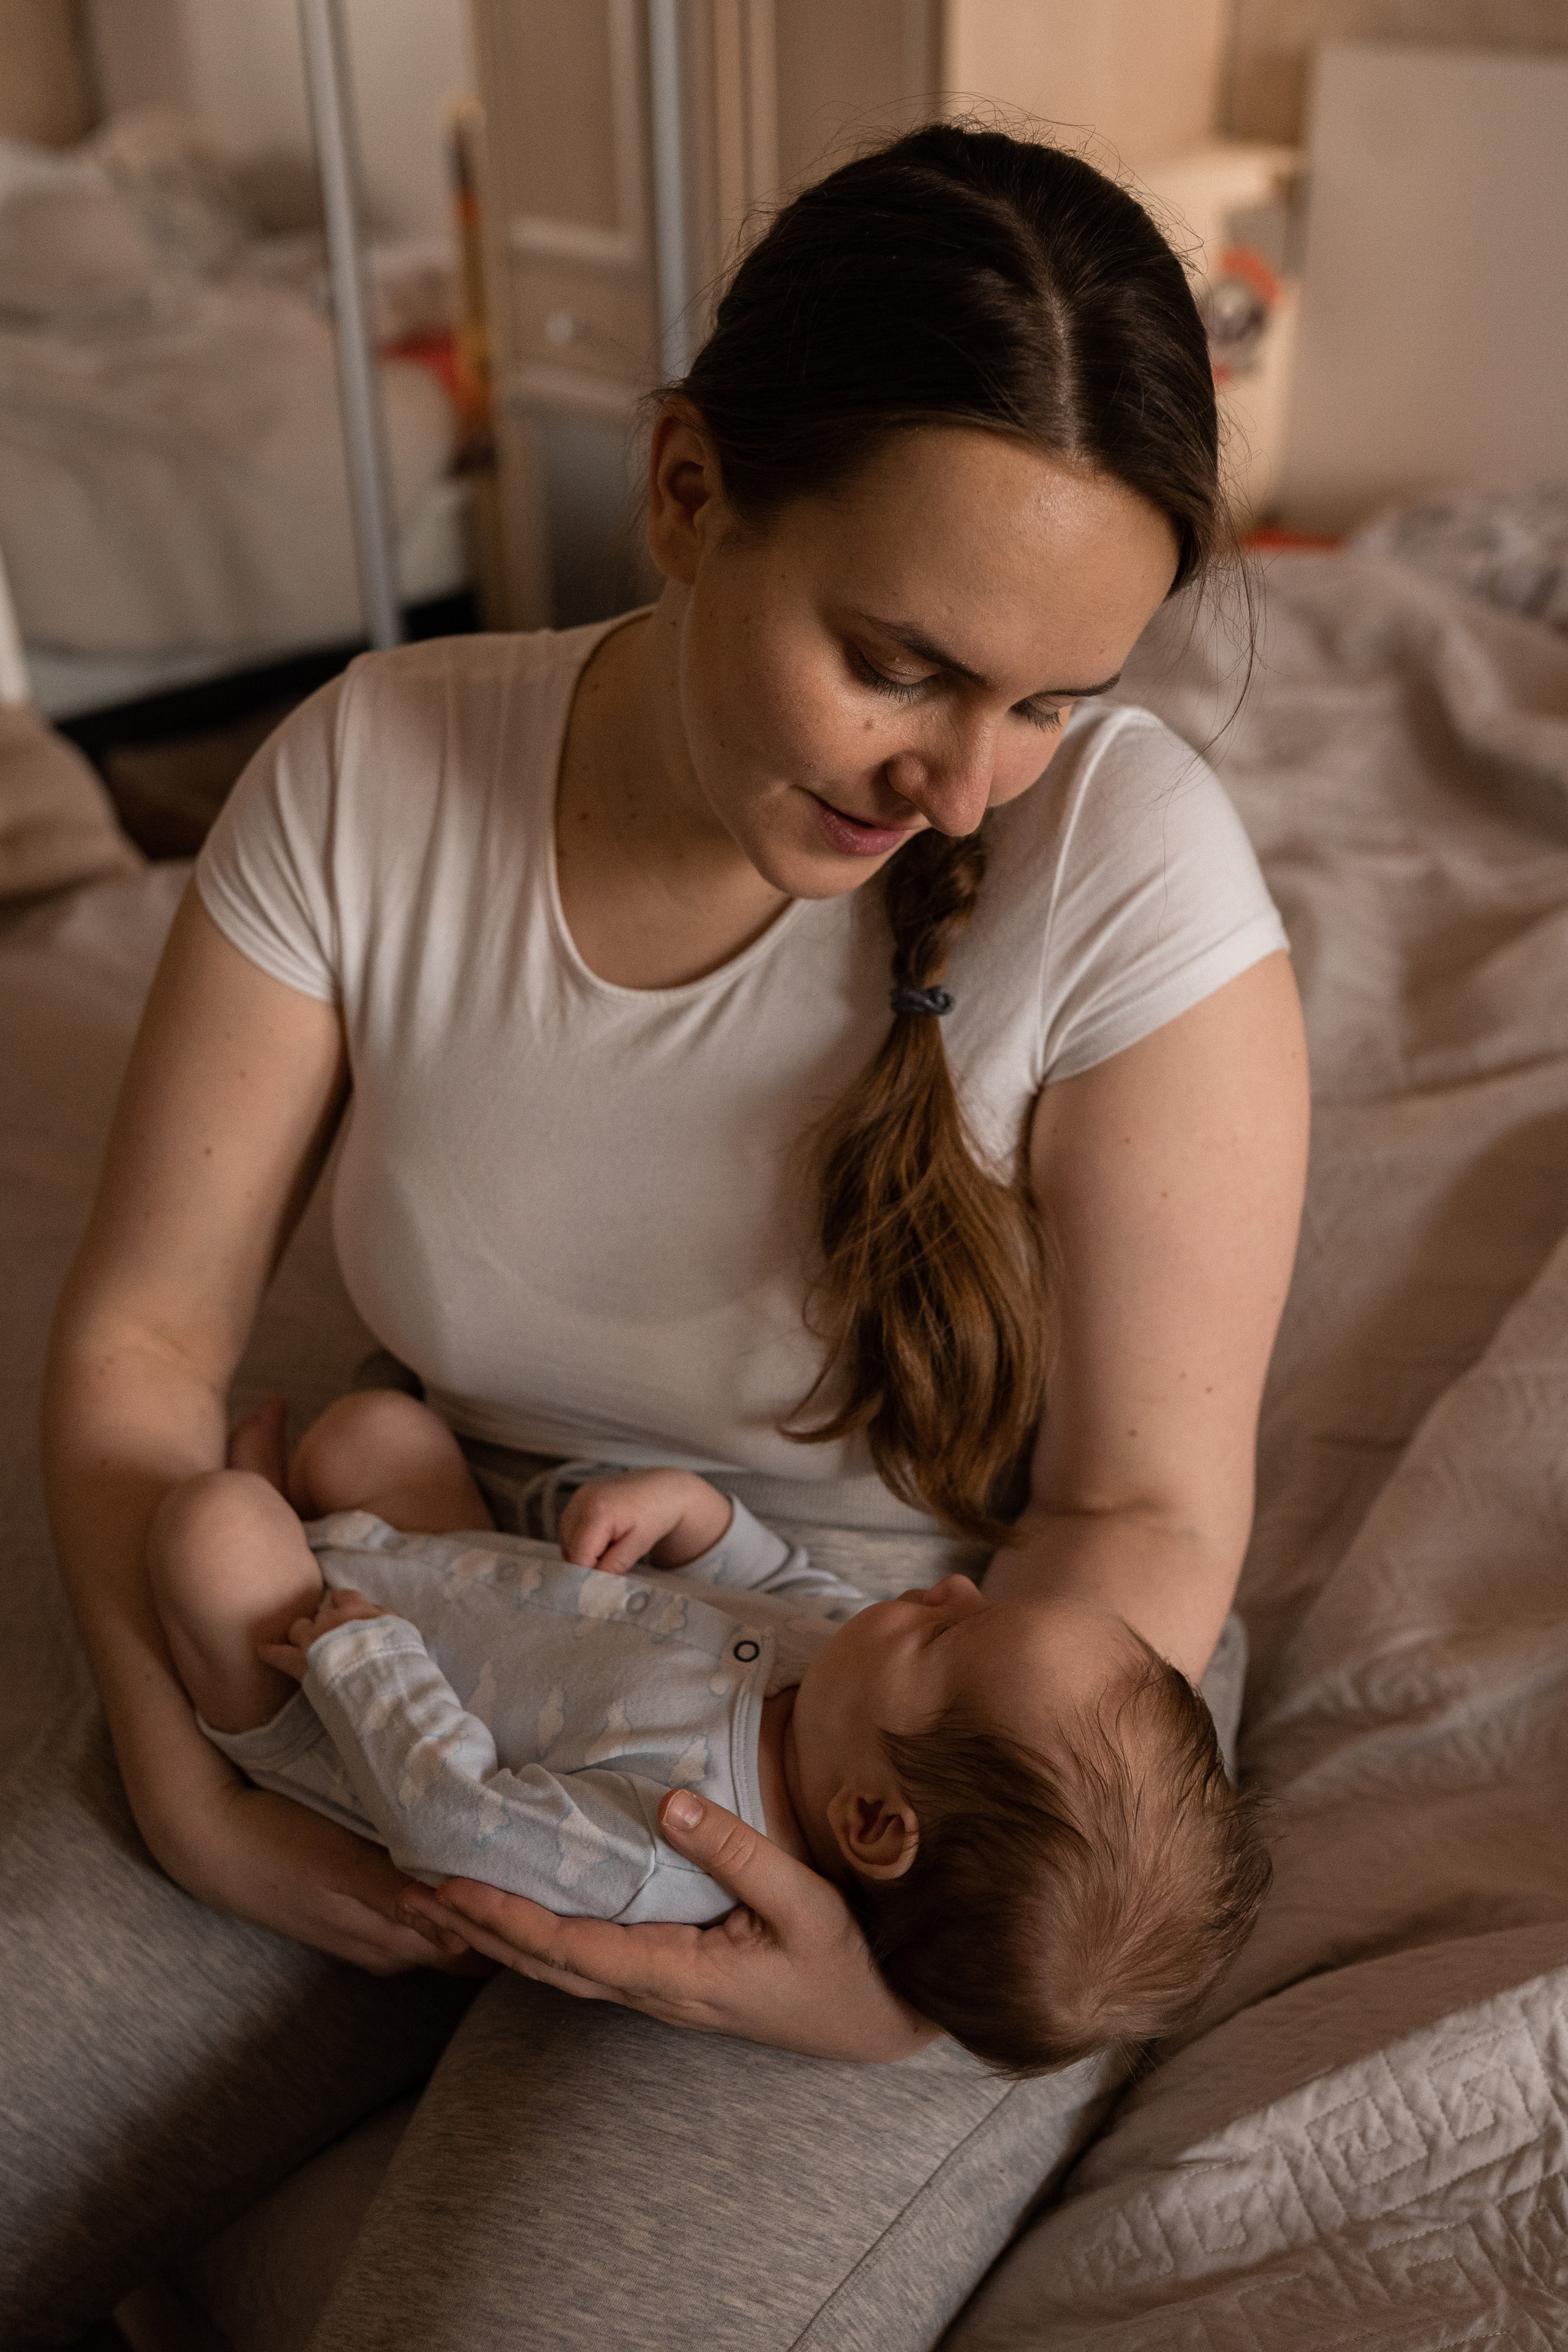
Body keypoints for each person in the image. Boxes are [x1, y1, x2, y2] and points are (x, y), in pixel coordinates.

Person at [18, 122, 1308, 2350]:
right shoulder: (366, 777)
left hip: (944, 1750)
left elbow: (1140, 1506)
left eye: (1053, 699)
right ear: (691, 489)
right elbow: (144, 1341)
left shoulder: (1131, 876)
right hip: (424, 1597)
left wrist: (881, 2009)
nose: (968, 786)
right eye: (902, 662)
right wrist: (179, 1779)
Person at [148, 1390, 1269, 2077]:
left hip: (345, 1708)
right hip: (490, 1583)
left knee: (213, 1530)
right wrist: (699, 1521)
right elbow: (787, 1583)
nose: (958, 1595)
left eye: (949, 1639)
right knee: (372, 1433)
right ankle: (318, 1525)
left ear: (873, 1821)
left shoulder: (669, 1850)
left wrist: (369, 1665)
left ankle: (267, 1573)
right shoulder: (851, 1689)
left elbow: (454, 1817)